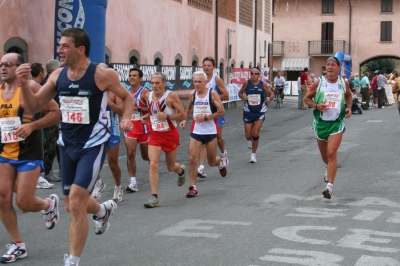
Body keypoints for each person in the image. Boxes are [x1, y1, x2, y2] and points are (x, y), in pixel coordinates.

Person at [15, 28, 134, 266]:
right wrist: (24, 85)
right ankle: (102, 211)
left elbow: (127, 97)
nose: (59, 50)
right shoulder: (58, 75)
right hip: (66, 144)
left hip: (93, 144)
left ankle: (72, 261)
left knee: (77, 203)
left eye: (64, 46)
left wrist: (127, 117)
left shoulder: (101, 74)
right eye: (59, 45)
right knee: (70, 203)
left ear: (80, 50)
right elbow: (34, 104)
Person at [0, 53, 60, 263]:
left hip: (29, 153)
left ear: (19, 68)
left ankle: (48, 205)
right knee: (2, 198)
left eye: (8, 64)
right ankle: (18, 245)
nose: (3, 68)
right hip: (5, 153)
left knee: (24, 202)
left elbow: (55, 112)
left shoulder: (33, 88)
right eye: (1, 64)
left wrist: (32, 125)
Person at [304, 56, 352, 200]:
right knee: (325, 157)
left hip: (336, 123)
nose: (330, 67)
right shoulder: (319, 82)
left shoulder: (343, 83)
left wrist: (349, 107)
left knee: (332, 153)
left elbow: (349, 96)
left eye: (333, 65)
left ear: (339, 68)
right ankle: (328, 167)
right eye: (328, 65)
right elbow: (307, 99)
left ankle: (329, 187)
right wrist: (317, 105)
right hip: (320, 124)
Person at [140, 72, 186, 208]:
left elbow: (182, 115)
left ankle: (181, 170)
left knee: (170, 166)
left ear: (164, 83)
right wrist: (147, 117)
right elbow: (153, 111)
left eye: (158, 83)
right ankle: (154, 197)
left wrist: (167, 117)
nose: (155, 86)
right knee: (153, 164)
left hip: (170, 134)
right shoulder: (147, 96)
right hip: (155, 135)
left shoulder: (171, 96)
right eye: (152, 83)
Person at [179, 71, 225, 197]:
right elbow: (189, 108)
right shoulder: (192, 94)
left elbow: (222, 111)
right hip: (196, 131)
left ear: (205, 82)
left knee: (211, 162)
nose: (197, 84)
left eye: (200, 82)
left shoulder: (212, 93)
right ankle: (193, 187)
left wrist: (206, 118)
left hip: (210, 132)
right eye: (195, 81)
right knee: (192, 158)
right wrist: (184, 119)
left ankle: (221, 161)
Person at [91, 63, 124, 202]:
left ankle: (118, 187)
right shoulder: (92, 89)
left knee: (112, 163)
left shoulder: (115, 91)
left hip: (112, 130)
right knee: (91, 161)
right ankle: (98, 183)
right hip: (96, 129)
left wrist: (109, 103)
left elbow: (122, 111)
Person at [197, 57, 229, 178]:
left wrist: (212, 98)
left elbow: (226, 95)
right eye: (204, 65)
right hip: (203, 113)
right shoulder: (199, 79)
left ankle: (223, 153)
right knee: (203, 141)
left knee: (219, 139)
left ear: (213, 67)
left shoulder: (216, 80)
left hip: (216, 114)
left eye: (209, 65)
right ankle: (201, 168)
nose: (206, 67)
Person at [238, 67, 275, 163]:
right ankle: (249, 140)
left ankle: (253, 155)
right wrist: (244, 97)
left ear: (259, 75)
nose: (253, 76)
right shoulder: (246, 83)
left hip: (260, 111)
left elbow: (271, 94)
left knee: (255, 134)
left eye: (256, 74)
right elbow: (240, 93)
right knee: (248, 136)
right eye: (252, 74)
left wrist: (269, 99)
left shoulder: (263, 85)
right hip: (248, 111)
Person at [124, 68, 149, 193]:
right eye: (130, 75)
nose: (132, 77)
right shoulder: (125, 92)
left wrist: (138, 109)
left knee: (146, 156)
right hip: (131, 127)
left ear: (140, 78)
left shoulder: (144, 93)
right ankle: (133, 181)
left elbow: (152, 108)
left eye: (134, 75)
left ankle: (153, 168)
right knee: (130, 153)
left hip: (144, 127)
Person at [41, 59, 62, 183]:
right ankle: (48, 172)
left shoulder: (56, 83)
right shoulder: (46, 85)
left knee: (59, 146)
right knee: (50, 147)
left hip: (59, 119)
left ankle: (62, 170)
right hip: (50, 120)